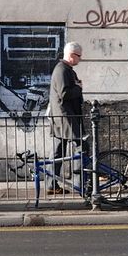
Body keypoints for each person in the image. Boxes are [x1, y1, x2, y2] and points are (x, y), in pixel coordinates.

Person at [47, 41, 88, 195]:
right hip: (65, 116)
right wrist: (78, 87)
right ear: (71, 55)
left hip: (63, 116)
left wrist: (76, 86)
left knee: (58, 151)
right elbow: (64, 93)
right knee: (81, 147)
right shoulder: (62, 70)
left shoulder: (65, 69)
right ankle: (80, 184)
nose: (80, 59)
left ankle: (52, 184)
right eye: (79, 56)